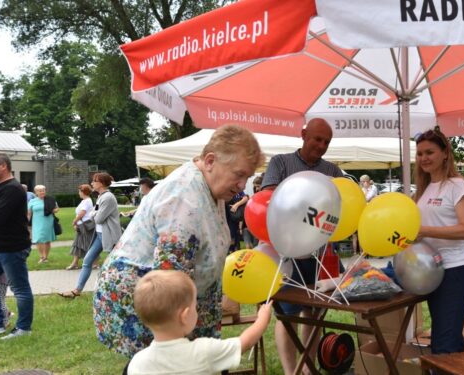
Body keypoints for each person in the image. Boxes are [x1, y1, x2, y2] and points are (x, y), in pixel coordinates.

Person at [91, 125, 263, 357]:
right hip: (150, 304)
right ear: (210, 161)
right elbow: (170, 282)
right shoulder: (184, 199)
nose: (243, 185)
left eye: (248, 177)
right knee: (161, 366)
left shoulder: (212, 185)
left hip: (181, 304)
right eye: (239, 174)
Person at [262, 118, 343, 375]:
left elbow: (343, 208)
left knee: (315, 314)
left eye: (326, 142)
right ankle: (290, 372)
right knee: (287, 316)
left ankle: (308, 370)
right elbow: (268, 196)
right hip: (286, 253)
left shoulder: (333, 171)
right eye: (317, 139)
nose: (321, 145)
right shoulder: (280, 162)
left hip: (321, 254)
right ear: (303, 134)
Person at [126, 270, 272, 374]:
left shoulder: (137, 363)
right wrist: (262, 320)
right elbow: (243, 343)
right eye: (195, 306)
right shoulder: (203, 351)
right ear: (185, 316)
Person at [412, 126, 464, 354]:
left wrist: (425, 230)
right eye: (419, 154)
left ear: (445, 153)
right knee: (446, 337)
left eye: (429, 152)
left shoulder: (457, 185)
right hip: (431, 271)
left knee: (444, 345)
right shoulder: (424, 189)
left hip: (455, 272)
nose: (423, 158)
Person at [0, 153, 34, 339]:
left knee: (21, 289)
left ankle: (23, 328)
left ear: (3, 167)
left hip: (12, 248)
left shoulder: (13, 189)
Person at [58, 172, 122, 298]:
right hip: (99, 235)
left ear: (101, 183)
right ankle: (77, 291)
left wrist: (94, 213)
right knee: (87, 261)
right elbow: (95, 214)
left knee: (115, 264)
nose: (92, 183)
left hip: (109, 236)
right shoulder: (101, 197)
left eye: (94, 181)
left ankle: (119, 291)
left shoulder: (108, 197)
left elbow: (98, 218)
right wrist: (94, 213)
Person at [27, 185, 58, 263]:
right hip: (36, 222)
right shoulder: (32, 201)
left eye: (43, 190)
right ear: (36, 192)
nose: (42, 192)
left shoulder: (50, 199)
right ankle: (42, 256)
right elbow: (29, 213)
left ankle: (45, 257)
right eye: (40, 191)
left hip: (48, 221)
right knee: (38, 239)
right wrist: (27, 223)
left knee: (47, 240)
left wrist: (52, 210)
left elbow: (57, 209)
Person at [67, 184, 95, 270]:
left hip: (85, 225)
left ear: (83, 192)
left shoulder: (87, 201)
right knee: (78, 244)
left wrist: (74, 221)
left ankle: (94, 263)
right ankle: (75, 263)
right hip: (81, 225)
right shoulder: (84, 201)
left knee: (87, 244)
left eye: (79, 191)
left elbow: (82, 213)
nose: (78, 193)